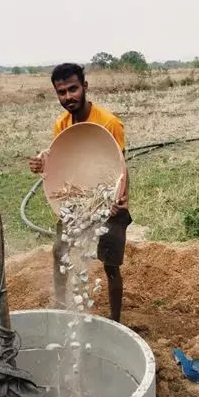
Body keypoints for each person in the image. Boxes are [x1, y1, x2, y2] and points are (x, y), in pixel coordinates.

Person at [28, 62, 132, 323]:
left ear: (84, 87)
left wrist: (119, 199)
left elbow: (120, 165)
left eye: (73, 89)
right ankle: (61, 308)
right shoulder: (62, 124)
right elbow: (61, 159)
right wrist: (42, 164)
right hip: (76, 201)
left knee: (110, 264)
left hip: (106, 198)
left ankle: (117, 320)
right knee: (60, 252)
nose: (68, 97)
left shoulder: (109, 123)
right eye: (61, 92)